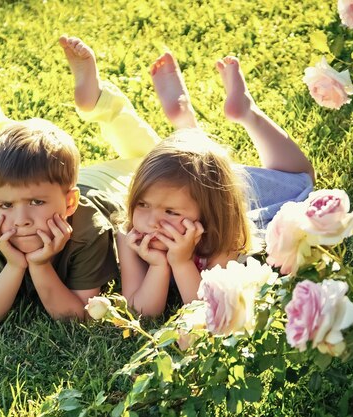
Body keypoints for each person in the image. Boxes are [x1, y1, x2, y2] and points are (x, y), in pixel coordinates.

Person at [63, 37, 314, 316]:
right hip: (197, 186)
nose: (152, 220)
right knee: (195, 170)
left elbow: (208, 307)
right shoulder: (130, 234)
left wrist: (182, 263)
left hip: (230, 196)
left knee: (301, 180)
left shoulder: (221, 237)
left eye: (170, 211)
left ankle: (246, 111)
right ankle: (185, 123)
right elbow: (141, 310)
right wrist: (159, 266)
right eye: (143, 204)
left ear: (207, 215)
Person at [0, 46, 154, 324]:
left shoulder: (88, 229)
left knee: (150, 156)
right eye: (6, 205)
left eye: (36, 203)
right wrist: (14, 265)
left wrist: (40, 265)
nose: (21, 220)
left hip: (109, 185)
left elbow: (79, 317)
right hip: (56, 185)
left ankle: (100, 103)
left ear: (70, 204)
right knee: (19, 162)